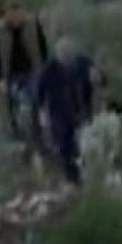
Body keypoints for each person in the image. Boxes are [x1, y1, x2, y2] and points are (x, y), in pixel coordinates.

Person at [35, 42, 100, 185]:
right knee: (64, 145)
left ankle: (86, 176)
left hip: (81, 109)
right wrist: (41, 114)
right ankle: (71, 178)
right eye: (64, 58)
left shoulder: (83, 63)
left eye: (70, 58)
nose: (67, 62)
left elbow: (100, 80)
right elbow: (40, 95)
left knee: (83, 144)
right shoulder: (49, 70)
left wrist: (96, 77)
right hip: (58, 113)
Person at [0, 0, 50, 144]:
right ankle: (17, 137)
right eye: (12, 15)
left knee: (35, 100)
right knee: (13, 106)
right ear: (6, 15)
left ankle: (37, 136)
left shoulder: (33, 25)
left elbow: (43, 47)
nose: (15, 18)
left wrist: (43, 69)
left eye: (18, 14)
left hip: (32, 71)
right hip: (10, 74)